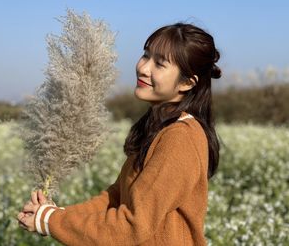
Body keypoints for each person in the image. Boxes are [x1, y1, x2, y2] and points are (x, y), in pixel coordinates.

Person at [17, 22, 222, 245]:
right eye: (146, 55)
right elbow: (114, 199)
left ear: (186, 83)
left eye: (160, 64)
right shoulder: (158, 129)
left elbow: (132, 225)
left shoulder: (180, 138)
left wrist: (50, 220)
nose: (143, 68)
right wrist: (54, 215)